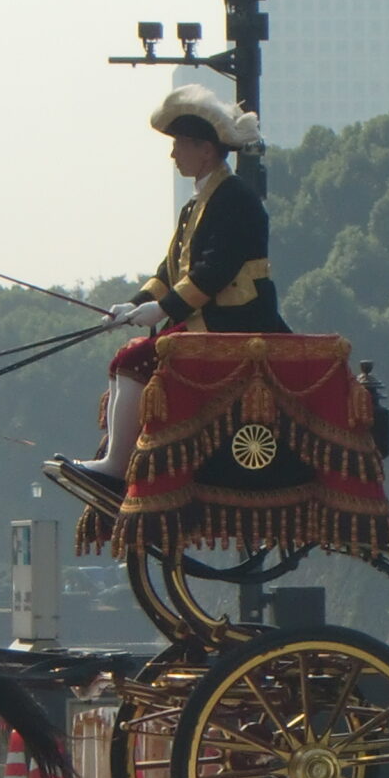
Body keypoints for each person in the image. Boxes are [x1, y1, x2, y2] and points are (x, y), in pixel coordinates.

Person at [60, 85, 289, 499]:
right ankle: (118, 459)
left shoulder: (235, 198)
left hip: (235, 326)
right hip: (205, 322)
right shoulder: (198, 204)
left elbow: (214, 271)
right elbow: (171, 269)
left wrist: (162, 310)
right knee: (127, 356)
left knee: (132, 358)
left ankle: (116, 465)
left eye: (180, 145)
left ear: (205, 149)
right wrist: (133, 305)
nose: (173, 155)